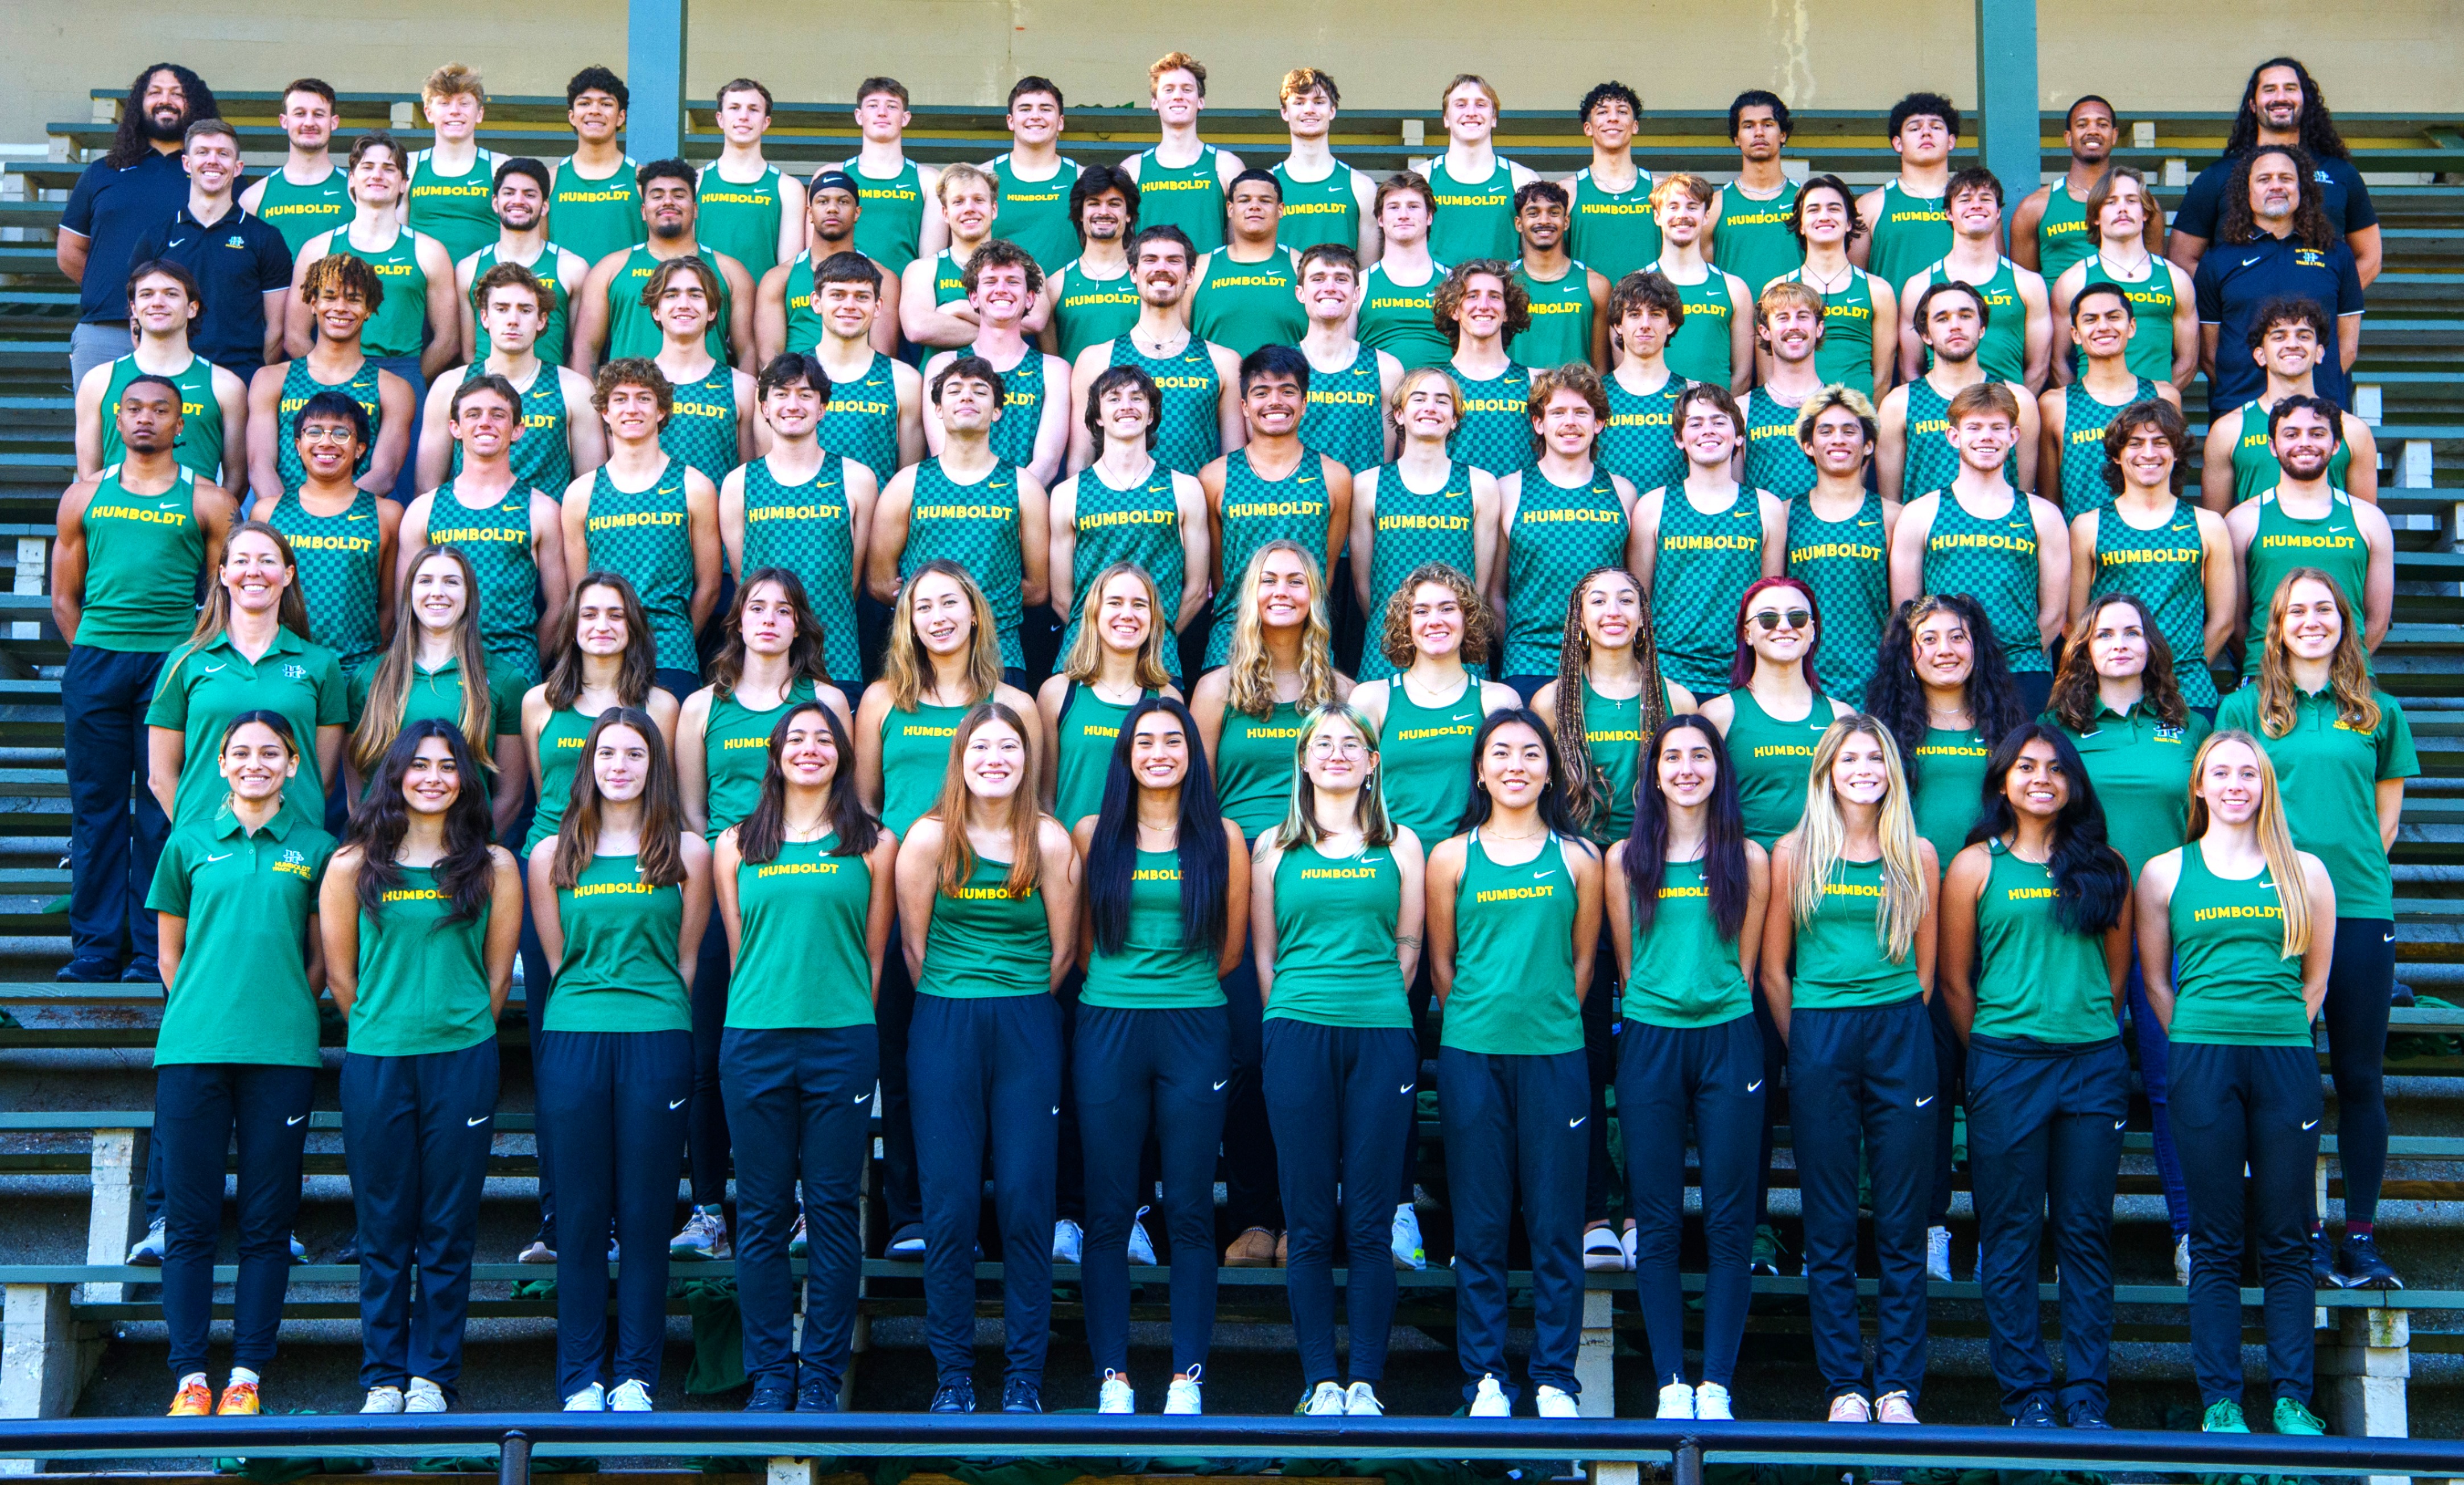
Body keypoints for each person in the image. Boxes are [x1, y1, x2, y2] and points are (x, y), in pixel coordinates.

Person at [2218, 570, 2416, 1289]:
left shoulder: (2379, 712)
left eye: (2325, 609)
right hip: (2267, 911)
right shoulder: (2242, 707)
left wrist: (2334, 891)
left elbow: (2385, 823)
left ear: (2346, 620)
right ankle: (2299, 1233)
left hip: (2359, 908)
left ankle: (2359, 1238)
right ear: (2275, 625)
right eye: (2296, 610)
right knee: (2285, 1083)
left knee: (2360, 1077)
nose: (2311, 620)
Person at [2134, 730, 2334, 1436]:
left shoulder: (2305, 872)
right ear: (2199, 786)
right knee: (2216, 1239)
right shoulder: (2163, 872)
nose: (2234, 785)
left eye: (2248, 773)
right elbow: (2156, 981)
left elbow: (2315, 982)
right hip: (2201, 1060)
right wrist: (2199, 1031)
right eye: (2220, 772)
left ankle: (2292, 1400)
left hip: (2283, 1059)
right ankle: (2221, 1400)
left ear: (2265, 785)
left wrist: (2273, 1030)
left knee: (2285, 1236)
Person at [323, 721, 522, 1416]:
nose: (433, 777)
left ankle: (432, 1374)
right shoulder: (352, 865)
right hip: (378, 1059)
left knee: (447, 1223)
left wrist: (452, 1025)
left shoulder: (494, 865)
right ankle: (382, 1374)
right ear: (397, 775)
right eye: (420, 766)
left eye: (448, 766)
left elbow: (498, 978)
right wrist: (388, 1024)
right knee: (384, 1223)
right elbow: (344, 981)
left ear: (466, 780)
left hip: (462, 1057)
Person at [1937, 724, 2133, 1428]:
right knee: (2011, 1232)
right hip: (2005, 1067)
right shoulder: (1974, 868)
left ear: (2074, 783)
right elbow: (1956, 983)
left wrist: (2079, 1033)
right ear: (2002, 782)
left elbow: (2115, 983)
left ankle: (2086, 1398)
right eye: (2026, 767)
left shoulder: (2107, 866)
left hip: (2090, 1068)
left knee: (2083, 1232)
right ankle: (2027, 1397)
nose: (2042, 778)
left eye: (2055, 768)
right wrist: (1997, 1053)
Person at [148, 711, 336, 1418]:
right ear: (221, 764)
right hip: (193, 1051)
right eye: (240, 753)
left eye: (270, 753)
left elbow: (321, 958)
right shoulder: (188, 842)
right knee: (191, 1224)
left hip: (282, 1051)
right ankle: (191, 1375)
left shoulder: (317, 848)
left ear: (293, 764)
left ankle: (247, 1374)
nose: (254, 762)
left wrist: (281, 1004)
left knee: (265, 1223)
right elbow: (171, 956)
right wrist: (209, 1009)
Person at [713, 698, 896, 1412]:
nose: (811, 749)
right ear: (776, 754)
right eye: (797, 738)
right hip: (755, 1039)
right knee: (759, 1215)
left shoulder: (872, 844)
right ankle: (768, 1374)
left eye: (825, 739)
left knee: (828, 1209)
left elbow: (875, 956)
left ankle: (819, 1373)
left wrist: (840, 1020)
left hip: (841, 1041)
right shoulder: (736, 844)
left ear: (843, 755)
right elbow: (739, 950)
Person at [896, 703, 1079, 1415]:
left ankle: (1024, 1380)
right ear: (961, 758)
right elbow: (913, 950)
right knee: (949, 1209)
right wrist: (962, 998)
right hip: (945, 1022)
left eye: (1009, 746)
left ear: (1028, 759)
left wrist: (1014, 1002)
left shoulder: (1053, 842)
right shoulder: (928, 839)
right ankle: (953, 1379)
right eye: (982, 746)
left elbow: (1066, 952)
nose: (995, 758)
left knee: (1029, 1204)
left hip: (1028, 1024)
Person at [528, 708, 712, 1412]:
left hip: (657, 1038)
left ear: (653, 765)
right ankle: (580, 1377)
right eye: (608, 753)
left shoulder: (686, 853)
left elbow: (686, 959)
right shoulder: (552, 854)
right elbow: (556, 960)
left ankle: (635, 1373)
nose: (620, 766)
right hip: (575, 1038)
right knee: (579, 1216)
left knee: (644, 1214)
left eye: (635, 754)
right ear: (589, 763)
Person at [854, 563, 1036, 1260]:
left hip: (990, 911)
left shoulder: (1011, 702)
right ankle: (912, 1214)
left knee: (993, 1074)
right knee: (905, 1061)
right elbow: (867, 804)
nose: (937, 617)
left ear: (975, 614)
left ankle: (984, 1213)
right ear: (907, 620)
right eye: (923, 605)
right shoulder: (879, 702)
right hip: (906, 904)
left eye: (950, 603)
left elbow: (1031, 801)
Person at [1762, 715, 1940, 1425]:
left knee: (1901, 1223)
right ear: (1827, 772)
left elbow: (1925, 973)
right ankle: (1844, 1384)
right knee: (1830, 1221)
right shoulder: (1794, 852)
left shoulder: (1917, 855)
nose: (1863, 768)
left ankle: (1897, 1386)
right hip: (1819, 1034)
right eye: (1849, 758)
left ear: (1891, 770)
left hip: (1900, 1031)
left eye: (1875, 758)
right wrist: (1807, 1038)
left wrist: (1886, 1018)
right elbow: (1775, 970)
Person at [673, 572, 856, 1261]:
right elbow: (693, 814)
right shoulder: (701, 706)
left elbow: (850, 802)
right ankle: (709, 1209)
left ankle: (809, 1202)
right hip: (732, 887)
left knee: (811, 1049)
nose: (771, 619)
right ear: (738, 622)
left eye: (785, 609)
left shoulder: (828, 700)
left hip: (808, 892)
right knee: (711, 1054)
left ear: (802, 623)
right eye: (757, 608)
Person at [1426, 708, 1601, 1420]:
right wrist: (1483, 1015)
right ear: (1480, 770)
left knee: (1556, 1226)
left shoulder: (1580, 859)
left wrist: (1542, 1016)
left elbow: (1585, 964)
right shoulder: (1450, 858)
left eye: (1532, 754)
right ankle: (1486, 1380)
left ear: (1551, 771)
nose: (1516, 766)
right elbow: (1442, 965)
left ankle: (1556, 1376)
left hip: (1556, 1057)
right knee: (1481, 1225)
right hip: (1473, 1056)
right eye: (1501, 753)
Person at [1073, 695, 1243, 1416]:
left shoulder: (1223, 837)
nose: (1160, 753)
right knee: (1109, 1211)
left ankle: (1186, 1378)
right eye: (1145, 742)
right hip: (1109, 1025)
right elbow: (1081, 944)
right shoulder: (1092, 833)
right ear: (1126, 755)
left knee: (1191, 1210)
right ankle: (1113, 1376)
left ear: (1192, 755)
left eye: (1173, 741)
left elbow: (1230, 949)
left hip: (1196, 1026)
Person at [1251, 701, 1421, 1417]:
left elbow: (1410, 948)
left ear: (1373, 760)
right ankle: (1321, 1378)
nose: (1337, 754)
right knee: (1311, 1219)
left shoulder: (1403, 845)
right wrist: (1297, 1012)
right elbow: (1265, 956)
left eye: (1351, 744)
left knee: (1372, 1221)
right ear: (1304, 759)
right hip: (1297, 1032)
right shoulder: (1273, 848)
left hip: (1381, 1033)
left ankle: (1366, 1383)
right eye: (1323, 744)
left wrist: (1373, 1000)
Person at [512, 574, 681, 1261]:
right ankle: (562, 1222)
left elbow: (672, 799)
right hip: (555, 882)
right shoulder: (537, 704)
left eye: (616, 614)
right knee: (561, 1056)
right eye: (590, 614)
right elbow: (540, 795)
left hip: (638, 879)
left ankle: (631, 1220)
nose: (602, 625)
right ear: (571, 625)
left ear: (634, 626)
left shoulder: (662, 705)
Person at [1865, 590, 2031, 1279]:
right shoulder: (1884, 730)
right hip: (1911, 923)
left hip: (1998, 916)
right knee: (1924, 1092)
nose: (1943, 649)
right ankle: (1929, 1227)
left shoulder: (2009, 724)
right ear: (1908, 652)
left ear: (1978, 647)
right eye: (1928, 638)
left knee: (1996, 1088)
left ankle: (2001, 1231)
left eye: (1957, 637)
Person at [1192, 542, 1349, 1267]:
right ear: (1247, 596)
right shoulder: (1218, 689)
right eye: (1267, 580)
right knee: (1251, 1056)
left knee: (1313, 1060)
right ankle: (1257, 1214)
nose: (1282, 591)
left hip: (1320, 890)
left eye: (1297, 581)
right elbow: (1195, 800)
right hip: (1237, 890)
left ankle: (1305, 1220)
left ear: (1316, 595)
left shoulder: (1340, 692)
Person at [2045, 593, 2210, 1280]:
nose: (2118, 643)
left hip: (2175, 929)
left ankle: (2192, 1233)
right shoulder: (2058, 728)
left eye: (2132, 633)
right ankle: (2062, 1236)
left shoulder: (2189, 725)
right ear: (2083, 647)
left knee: (2177, 1082)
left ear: (2152, 647)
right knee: (2072, 1082)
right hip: (2088, 926)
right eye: (2103, 633)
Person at [55, 380, 237, 983]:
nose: (145, 420)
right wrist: (92, 652)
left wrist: (190, 661)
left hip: (171, 664)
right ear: (116, 419)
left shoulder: (208, 500)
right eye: (133, 409)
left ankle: (150, 952)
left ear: (180, 425)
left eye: (161, 410)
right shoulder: (84, 496)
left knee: (162, 811)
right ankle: (95, 950)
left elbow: (219, 598)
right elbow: (63, 596)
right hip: (98, 661)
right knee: (97, 808)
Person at [1611, 715, 1766, 1420]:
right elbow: (1625, 962)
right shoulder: (1625, 859)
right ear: (1655, 772)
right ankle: (1672, 1381)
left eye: (1700, 756)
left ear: (1718, 770)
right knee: (1659, 1220)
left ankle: (1719, 1383)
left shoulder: (1750, 859)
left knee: (1732, 1222)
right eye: (1672, 757)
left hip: (1729, 1038)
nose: (1686, 768)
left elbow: (1751, 965)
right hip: (1651, 1041)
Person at [284, 131, 461, 496]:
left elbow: (447, 340)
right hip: (327, 382)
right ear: (351, 178)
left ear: (404, 182)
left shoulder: (429, 251)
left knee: (396, 491)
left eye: (389, 168)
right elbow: (295, 335)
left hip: (402, 373)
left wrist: (402, 382)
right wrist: (331, 377)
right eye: (367, 167)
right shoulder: (318, 248)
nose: (377, 175)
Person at [870, 356, 1052, 681]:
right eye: (954, 390)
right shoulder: (908, 484)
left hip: (999, 653)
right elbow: (881, 583)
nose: (967, 397)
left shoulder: (1024, 486)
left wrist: (978, 607)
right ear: (938, 409)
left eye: (980, 391)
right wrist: (934, 610)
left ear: (997, 411)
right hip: (920, 655)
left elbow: (1037, 588)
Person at [1889, 383, 2069, 712]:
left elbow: (2054, 614)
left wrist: (1998, 662)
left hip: (2022, 672)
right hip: (1946, 674)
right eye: (1974, 427)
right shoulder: (1921, 513)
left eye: (1997, 428)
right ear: (1954, 436)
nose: (1987, 437)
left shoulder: (2042, 515)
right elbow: (1908, 610)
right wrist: (1953, 658)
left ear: (2014, 436)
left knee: (2022, 763)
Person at [561, 360, 722, 700]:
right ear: (605, 412)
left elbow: (709, 586)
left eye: (643, 398)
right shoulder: (581, 494)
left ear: (662, 410)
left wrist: (675, 638)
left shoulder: (695, 487)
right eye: (620, 399)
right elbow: (580, 589)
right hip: (603, 656)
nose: (631, 409)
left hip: (672, 654)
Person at [402, 371, 574, 687]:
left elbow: (560, 607)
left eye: (498, 415)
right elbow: (406, 603)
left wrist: (525, 667)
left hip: (514, 665)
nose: (485, 423)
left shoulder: (542, 509)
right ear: (455, 428)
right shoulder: (424, 510)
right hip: (440, 668)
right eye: (473, 414)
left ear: (517, 430)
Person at [719, 353, 880, 685]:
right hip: (764, 666)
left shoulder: (857, 479)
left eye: (805, 395)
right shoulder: (739, 484)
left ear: (822, 408)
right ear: (764, 407)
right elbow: (743, 579)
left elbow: (852, 579)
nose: (793, 404)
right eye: (781, 394)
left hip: (837, 657)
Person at [345, 543, 525, 837]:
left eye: (451, 582)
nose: (437, 592)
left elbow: (511, 796)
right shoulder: (369, 678)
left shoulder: (504, 679)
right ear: (410, 594)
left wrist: (472, 851)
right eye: (426, 581)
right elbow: (357, 789)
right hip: (383, 855)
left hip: (464, 858)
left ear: (469, 597)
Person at [2067, 399, 2234, 713]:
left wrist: (2168, 673)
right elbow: (2078, 623)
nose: (2149, 454)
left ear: (2176, 452)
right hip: (2113, 693)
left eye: (2161, 443)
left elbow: (2223, 622)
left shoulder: (2208, 525)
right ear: (2117, 455)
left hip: (2189, 690)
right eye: (2135, 443)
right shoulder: (2088, 527)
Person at [2166, 58, 2382, 287]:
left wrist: (2328, 300)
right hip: (2238, 322)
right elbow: (2182, 258)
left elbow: (2371, 258)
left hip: (2316, 321)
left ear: (2306, 100)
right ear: (2252, 104)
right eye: (2270, 90)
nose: (2280, 97)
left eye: (2290, 89)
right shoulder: (2218, 176)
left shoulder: (2341, 174)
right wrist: (2228, 301)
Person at [1631, 383, 1788, 698]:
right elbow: (1639, 604)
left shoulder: (1766, 507)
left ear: (1739, 436)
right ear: (1679, 439)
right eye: (1696, 423)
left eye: (1719, 422)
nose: (1708, 431)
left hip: (1741, 675)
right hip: (1668, 674)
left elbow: (1769, 603)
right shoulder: (1653, 506)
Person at [1049, 368, 1208, 676]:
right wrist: (1105, 641)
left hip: (1159, 655)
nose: (1127, 406)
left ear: (1151, 415)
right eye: (1114, 398)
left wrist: (1149, 637)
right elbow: (1060, 596)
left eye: (1137, 398)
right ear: (1098, 416)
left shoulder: (1185, 489)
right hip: (1084, 653)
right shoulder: (1068, 493)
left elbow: (1197, 589)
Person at [1198, 348, 1349, 671]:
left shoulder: (1335, 478)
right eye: (1261, 392)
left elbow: (1326, 570)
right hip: (1232, 635)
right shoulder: (1214, 477)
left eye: (1288, 391)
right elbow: (1219, 575)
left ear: (1304, 403)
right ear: (1244, 406)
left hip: (1308, 636)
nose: (1275, 402)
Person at [61, 64, 210, 387]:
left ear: (194, 104)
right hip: (106, 334)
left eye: (177, 94)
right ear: (138, 104)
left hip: (191, 338)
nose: (165, 100)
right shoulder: (102, 172)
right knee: (101, 436)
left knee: (189, 437)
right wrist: (126, 295)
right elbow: (70, 252)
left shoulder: (214, 175)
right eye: (155, 92)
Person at [2224, 396, 2393, 678]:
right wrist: (2272, 666)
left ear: (2336, 445)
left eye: (2317, 434)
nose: (2305, 443)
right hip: (2265, 677)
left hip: (2347, 679)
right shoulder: (2242, 521)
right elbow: (2235, 620)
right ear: (2273, 446)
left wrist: (2341, 667)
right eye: (2291, 435)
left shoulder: (2370, 520)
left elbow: (2377, 621)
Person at [1354, 564, 1520, 850]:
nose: (1435, 620)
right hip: (1390, 857)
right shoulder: (1371, 699)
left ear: (1467, 618)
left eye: (1447, 609)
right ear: (1405, 623)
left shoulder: (1497, 700)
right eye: (1421, 611)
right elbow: (1352, 793)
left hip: (1472, 860)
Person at [2189, 147, 2364, 416]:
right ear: (2246, 191)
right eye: (2264, 179)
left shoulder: (2337, 255)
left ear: (2302, 188)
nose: (2276, 186)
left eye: (2286, 178)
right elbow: (2209, 354)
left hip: (2320, 413)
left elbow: (2347, 348)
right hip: (2240, 412)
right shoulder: (2217, 261)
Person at [1351, 370, 1500, 681]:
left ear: (1455, 418)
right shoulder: (1368, 485)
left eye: (1442, 401)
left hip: (1456, 644)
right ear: (1399, 414)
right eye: (1419, 399)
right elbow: (1365, 589)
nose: (1430, 407)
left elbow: (1480, 586)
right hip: (1386, 647)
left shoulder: (1481, 485)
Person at [1495, 365, 1634, 698]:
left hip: (1602, 663)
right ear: (1539, 423)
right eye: (1558, 412)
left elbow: (1635, 588)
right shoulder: (1509, 489)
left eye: (1581, 413)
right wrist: (1517, 644)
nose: (1570, 422)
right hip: (1529, 661)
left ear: (1599, 423)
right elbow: (1494, 594)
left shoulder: (1623, 492)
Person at [1070, 226, 1242, 478]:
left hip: (1195, 511)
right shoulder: (1095, 360)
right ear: (1133, 272)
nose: (1162, 268)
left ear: (1191, 274)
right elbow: (1080, 459)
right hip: (1114, 511)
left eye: (1174, 260)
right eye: (1150, 260)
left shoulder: (1223, 361)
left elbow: (1233, 463)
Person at [127, 121, 291, 381]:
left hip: (241, 376)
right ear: (186, 163)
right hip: (170, 378)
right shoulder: (156, 237)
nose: (212, 161)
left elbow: (277, 329)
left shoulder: (265, 238)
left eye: (223, 154)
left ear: (238, 168)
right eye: (202, 152)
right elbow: (138, 318)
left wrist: (253, 379)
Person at [254, 391, 403, 677]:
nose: (326, 442)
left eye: (341, 433)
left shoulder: (387, 515)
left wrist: (372, 666)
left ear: (360, 448)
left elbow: (390, 606)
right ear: (298, 445)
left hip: (357, 670)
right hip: (280, 667)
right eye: (314, 432)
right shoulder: (267, 512)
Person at [425, 262, 604, 498]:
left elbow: (592, 488)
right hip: (468, 527)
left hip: (545, 527)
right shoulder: (450, 386)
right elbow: (427, 488)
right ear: (485, 318)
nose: (513, 320)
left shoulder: (574, 389)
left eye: (525, 310)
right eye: (501, 309)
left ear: (542, 320)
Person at [250, 254, 415, 501]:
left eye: (354, 299)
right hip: (283, 520)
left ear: (369, 309)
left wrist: (330, 515)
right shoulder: (271, 379)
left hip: (353, 525)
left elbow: (385, 473)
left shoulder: (393, 389)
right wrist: (291, 514)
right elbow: (260, 466)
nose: (340, 307)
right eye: (330, 297)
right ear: (313, 304)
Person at [573, 159, 756, 373]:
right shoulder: (609, 270)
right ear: (643, 211)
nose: (668, 202)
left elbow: (747, 352)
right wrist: (592, 405)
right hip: (631, 401)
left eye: (679, 196)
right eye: (657, 196)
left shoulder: (731, 272)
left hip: (706, 401)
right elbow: (586, 348)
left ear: (696, 209)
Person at [75, 262, 249, 488]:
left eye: (171, 294)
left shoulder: (226, 386)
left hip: (196, 520)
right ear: (134, 308)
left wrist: (211, 517)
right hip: (115, 520)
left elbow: (237, 478)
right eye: (147, 294)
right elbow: (88, 477)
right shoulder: (98, 381)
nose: (158, 302)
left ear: (192, 308)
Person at [2198, 298, 2376, 510]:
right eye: (2279, 337)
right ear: (2260, 355)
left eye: (2304, 336)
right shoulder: (2228, 430)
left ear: (2319, 353)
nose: (2293, 344)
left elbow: (2366, 523)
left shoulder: (2354, 431)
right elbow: (2216, 527)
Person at [1041, 563, 1183, 828]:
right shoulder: (1057, 693)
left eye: (1139, 605)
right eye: (1115, 603)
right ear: (1094, 613)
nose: (1127, 614)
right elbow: (1044, 797)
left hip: (1134, 862)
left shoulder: (1168, 697)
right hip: (1070, 857)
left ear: (1154, 619)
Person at [924, 241, 1072, 485]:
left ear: (1030, 298)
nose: (1002, 289)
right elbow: (943, 455)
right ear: (973, 297)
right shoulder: (944, 366)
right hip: (958, 506)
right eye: (991, 282)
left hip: (1027, 509)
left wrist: (1002, 502)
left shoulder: (1054, 370)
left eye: (1013, 282)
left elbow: (1046, 464)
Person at [1784, 386, 1897, 700]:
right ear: (1808, 445)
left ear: (1868, 445)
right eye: (1826, 431)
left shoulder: (1892, 517)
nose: (1838, 440)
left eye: (1850, 431)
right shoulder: (1785, 515)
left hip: (1874, 683)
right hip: (1802, 680)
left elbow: (1903, 613)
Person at [1894, 169, 2052, 392]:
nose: (1976, 205)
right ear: (1948, 213)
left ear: (1998, 212)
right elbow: (1910, 369)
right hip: (1940, 416)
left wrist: (2010, 412)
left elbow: (2038, 368)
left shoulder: (2028, 283)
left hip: (2005, 417)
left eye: (1985, 199)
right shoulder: (1919, 286)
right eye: (1965, 199)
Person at [2037, 283, 2182, 521]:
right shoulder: (2055, 404)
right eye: (2090, 320)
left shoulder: (2163, 396)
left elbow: (2174, 479)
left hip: (2151, 545)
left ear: (2131, 326)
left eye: (2113, 317)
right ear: (2075, 334)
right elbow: (2050, 499)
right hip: (2082, 546)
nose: (2103, 327)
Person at [2048, 167, 2197, 389]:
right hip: (2093, 416)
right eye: (2111, 202)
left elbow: (2188, 362)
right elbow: (2057, 362)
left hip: (2155, 417)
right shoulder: (2073, 280)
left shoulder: (2176, 279)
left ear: (2145, 212)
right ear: (2096, 216)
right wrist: (2084, 405)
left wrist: (2156, 403)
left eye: (2131, 201)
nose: (2122, 209)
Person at [801, 252, 924, 490]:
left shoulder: (904, 380)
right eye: (838, 295)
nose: (849, 305)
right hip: (803, 523)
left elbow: (908, 483)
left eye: (862, 297)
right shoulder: (787, 376)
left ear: (877, 306)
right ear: (817, 302)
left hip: (878, 523)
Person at [455, 158, 592, 367]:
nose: (518, 201)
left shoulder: (572, 267)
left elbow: (579, 350)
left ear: (545, 206)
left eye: (529, 195)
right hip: (486, 389)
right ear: (495, 202)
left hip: (547, 392)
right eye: (509, 193)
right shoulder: (468, 268)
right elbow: (469, 352)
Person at [754, 171, 902, 362]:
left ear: (857, 213)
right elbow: (769, 363)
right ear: (810, 213)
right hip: (798, 386)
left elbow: (883, 358)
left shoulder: (883, 278)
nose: (832, 209)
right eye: (823, 202)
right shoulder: (779, 278)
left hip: (856, 388)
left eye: (843, 201)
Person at [2012, 97, 2160, 286]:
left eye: (2102, 124)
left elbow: (2156, 276)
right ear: (2068, 137)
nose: (2093, 131)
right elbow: (2023, 289)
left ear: (2114, 135)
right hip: (2062, 313)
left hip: (2126, 312)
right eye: (2082, 125)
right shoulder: (2034, 207)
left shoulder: (2141, 205)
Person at [1776, 176, 1895, 403]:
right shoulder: (1777, 290)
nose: (1824, 216)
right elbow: (1768, 372)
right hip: (1794, 420)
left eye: (1834, 209)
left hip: (1858, 422)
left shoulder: (1878, 291)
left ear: (1850, 222)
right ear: (1800, 225)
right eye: (1813, 210)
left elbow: (1882, 378)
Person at [643, 257, 759, 488]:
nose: (684, 304)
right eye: (672, 295)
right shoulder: (636, 386)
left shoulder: (742, 387)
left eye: (696, 295)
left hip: (717, 520)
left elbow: (749, 478)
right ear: (656, 310)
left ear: (712, 311)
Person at [1295, 244, 1403, 478]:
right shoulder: (1282, 368)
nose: (1330, 288)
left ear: (1356, 294)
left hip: (1363, 507)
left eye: (1341, 279)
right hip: (1298, 507)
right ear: (1300, 293)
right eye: (1318, 279)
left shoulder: (1386, 369)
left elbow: (1387, 458)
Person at [1117, 54, 1241, 258]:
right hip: (1151, 286)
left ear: (1200, 101)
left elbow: (1239, 247)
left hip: (1207, 286)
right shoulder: (1132, 169)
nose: (1178, 96)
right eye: (1168, 89)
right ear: (1155, 102)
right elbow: (1122, 249)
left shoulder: (1227, 165)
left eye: (1187, 89)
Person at [1649, 175, 1753, 393]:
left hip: (1714, 422)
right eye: (1673, 207)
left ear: (1706, 216)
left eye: (1692, 207)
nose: (1682, 216)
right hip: (1653, 421)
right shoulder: (1636, 286)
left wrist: (1716, 416)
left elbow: (1743, 375)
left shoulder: (1734, 289)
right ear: (1658, 216)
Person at [1435, 261, 1536, 477]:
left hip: (1520, 506)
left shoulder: (1535, 381)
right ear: (1454, 309)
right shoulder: (1436, 383)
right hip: (1458, 507)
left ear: (1507, 312)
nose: (1483, 305)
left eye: (1494, 296)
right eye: (1472, 296)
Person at [696, 79, 804, 278]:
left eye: (753, 109)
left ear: (766, 122)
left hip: (759, 306)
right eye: (735, 108)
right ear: (720, 119)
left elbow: (788, 272)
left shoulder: (788, 188)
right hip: (703, 305)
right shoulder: (695, 182)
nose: (744, 116)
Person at [1189, 172, 1306, 358]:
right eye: (1244, 200)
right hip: (1216, 386)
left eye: (1265, 201)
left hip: (1285, 385)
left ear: (1281, 209)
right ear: (1230, 208)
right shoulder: (1200, 268)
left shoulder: (1302, 266)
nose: (1254, 207)